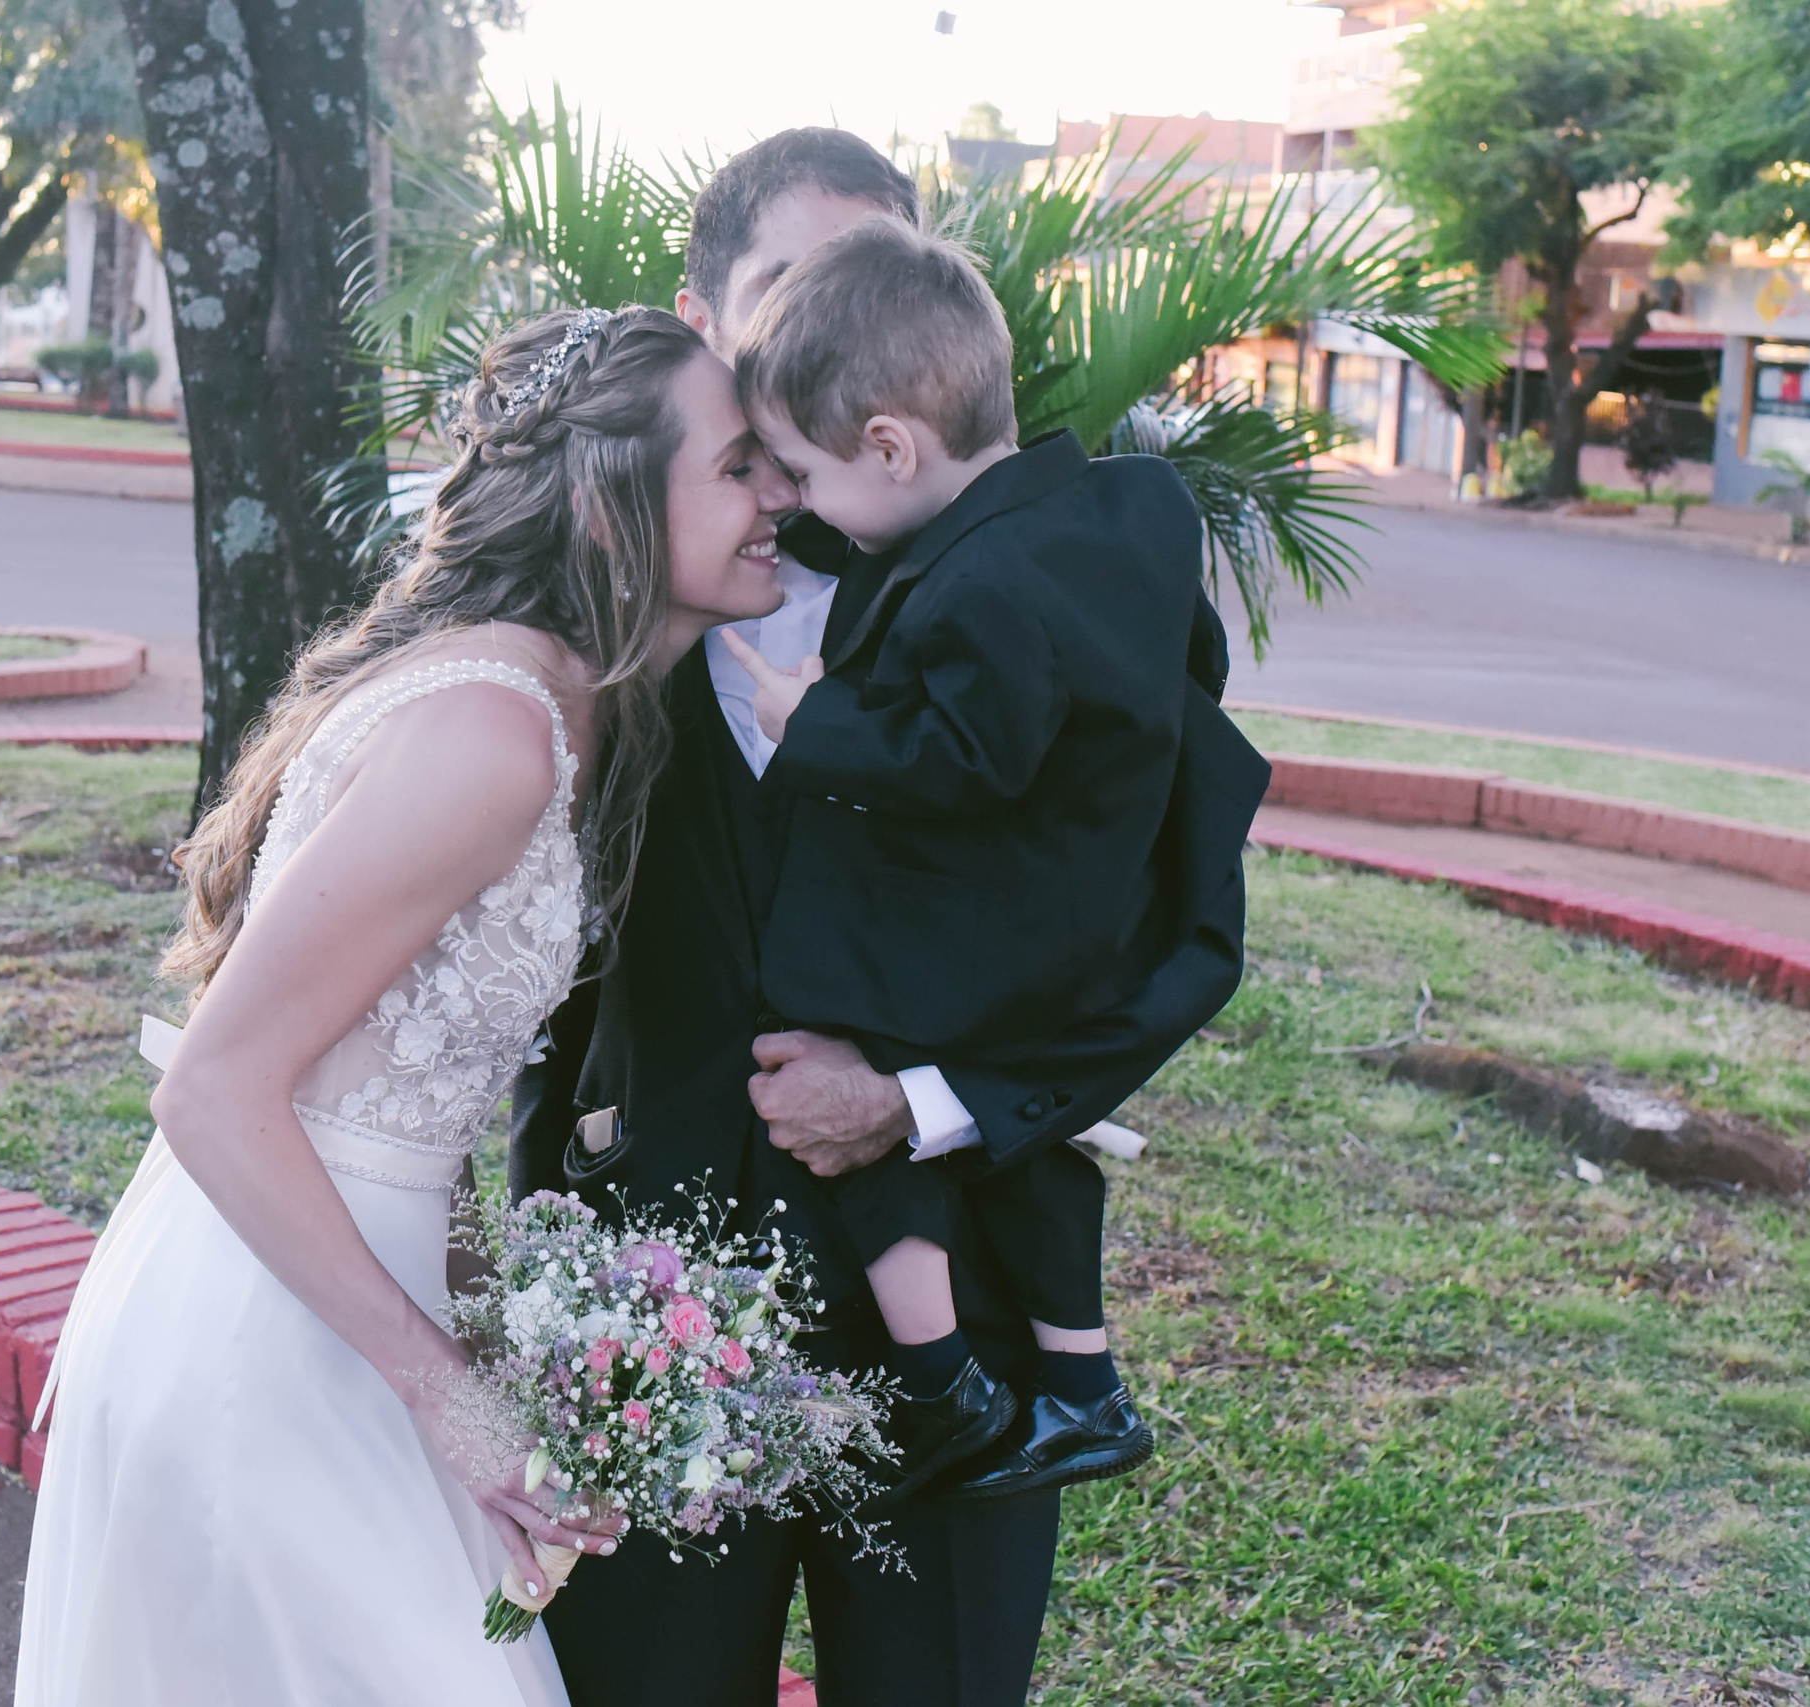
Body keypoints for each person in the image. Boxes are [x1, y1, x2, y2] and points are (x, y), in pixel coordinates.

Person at [515, 130, 1270, 1707]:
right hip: (660, 1303)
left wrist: (923, 1103)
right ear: (710, 318)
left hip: (960, 1325)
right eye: (801, 285)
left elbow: (1171, 925)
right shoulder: (578, 609)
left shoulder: (1059, 596)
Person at [13, 303, 806, 1706]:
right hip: (273, 1352)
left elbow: (405, 1102)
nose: (783, 496)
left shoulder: (560, 703)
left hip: (347, 1296)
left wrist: (492, 1343)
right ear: (615, 510)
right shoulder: (493, 733)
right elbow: (212, 1087)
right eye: (742, 465)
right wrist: (449, 1394)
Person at [720, 214, 1220, 1507]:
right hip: (1085, 906)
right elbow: (1188, 669)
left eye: (800, 474)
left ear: (890, 443)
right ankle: (1084, 1385)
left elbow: (967, 758)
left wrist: (808, 720)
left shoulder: (982, 586)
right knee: (1035, 1149)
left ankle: (941, 1382)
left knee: (818, 1060)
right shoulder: (1119, 513)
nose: (790, 504)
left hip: (982, 935)